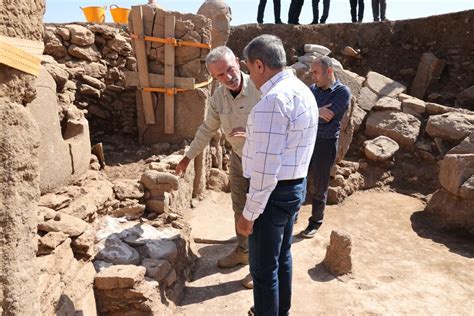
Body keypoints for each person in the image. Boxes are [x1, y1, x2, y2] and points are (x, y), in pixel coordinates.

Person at [237, 34, 318, 316]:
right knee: (282, 255)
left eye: (248, 68)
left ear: (259, 65)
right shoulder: (300, 88)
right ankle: (280, 310)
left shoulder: (272, 100)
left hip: (272, 195)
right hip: (295, 186)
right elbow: (288, 141)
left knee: (262, 269)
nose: (249, 75)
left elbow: (266, 170)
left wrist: (249, 213)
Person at [175, 46, 261, 288]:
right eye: (220, 75)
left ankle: (260, 268)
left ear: (238, 62)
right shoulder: (218, 97)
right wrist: (187, 157)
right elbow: (207, 129)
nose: (228, 77)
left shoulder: (260, 87)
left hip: (264, 160)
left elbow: (283, 124)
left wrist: (253, 134)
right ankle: (243, 251)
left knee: (262, 214)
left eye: (230, 69)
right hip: (238, 158)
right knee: (239, 208)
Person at [301, 56, 351, 238]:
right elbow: (301, 111)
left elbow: (328, 116)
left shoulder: (342, 92)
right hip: (307, 140)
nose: (312, 76)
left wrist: (311, 111)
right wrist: (316, 111)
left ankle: (315, 222)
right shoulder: (312, 89)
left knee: (320, 185)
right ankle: (292, 218)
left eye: (316, 72)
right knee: (299, 180)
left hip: (325, 143)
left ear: (329, 71)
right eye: (312, 72)